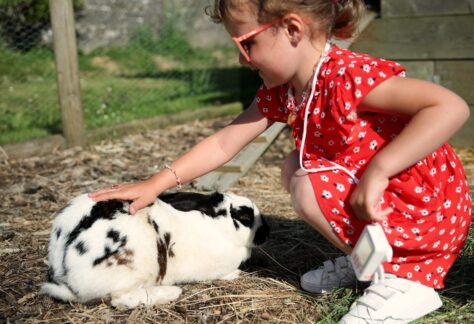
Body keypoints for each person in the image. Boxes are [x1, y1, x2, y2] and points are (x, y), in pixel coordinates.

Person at [90, 0, 472, 322]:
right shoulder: (286, 92)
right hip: (386, 201)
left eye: (246, 44)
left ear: (291, 30)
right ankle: (368, 260)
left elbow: (449, 107)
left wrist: (380, 170)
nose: (241, 61)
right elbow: (226, 142)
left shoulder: (347, 76)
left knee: (307, 182)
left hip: (426, 207)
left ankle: (410, 280)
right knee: (295, 167)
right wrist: (156, 184)